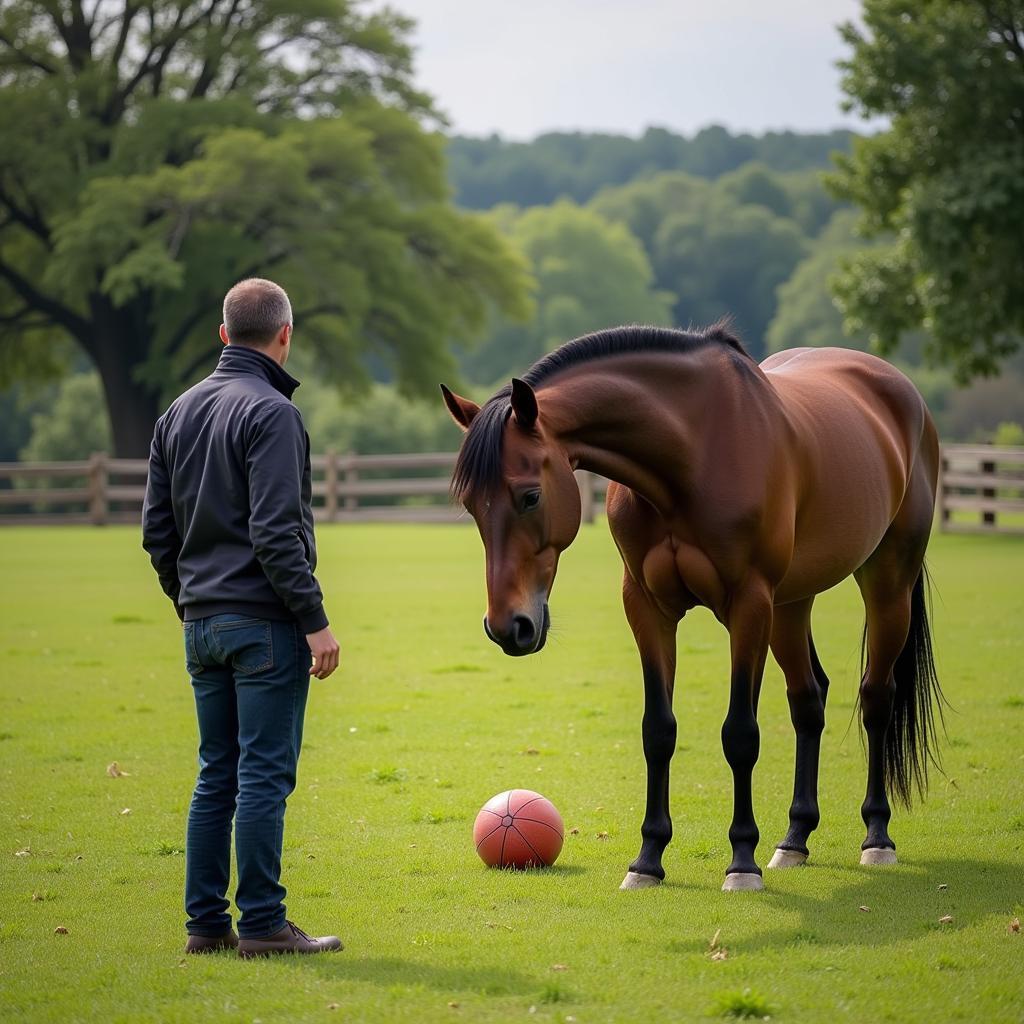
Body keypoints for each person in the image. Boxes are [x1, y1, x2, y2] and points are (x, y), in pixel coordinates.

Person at [142, 278, 343, 958]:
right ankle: (262, 924)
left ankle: (205, 926)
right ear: (284, 336)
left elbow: (155, 533)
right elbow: (276, 535)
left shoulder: (176, 414)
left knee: (215, 773)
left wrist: (190, 601)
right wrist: (315, 620)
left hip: (202, 626)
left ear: (223, 336)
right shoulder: (274, 415)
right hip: (264, 626)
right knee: (261, 776)